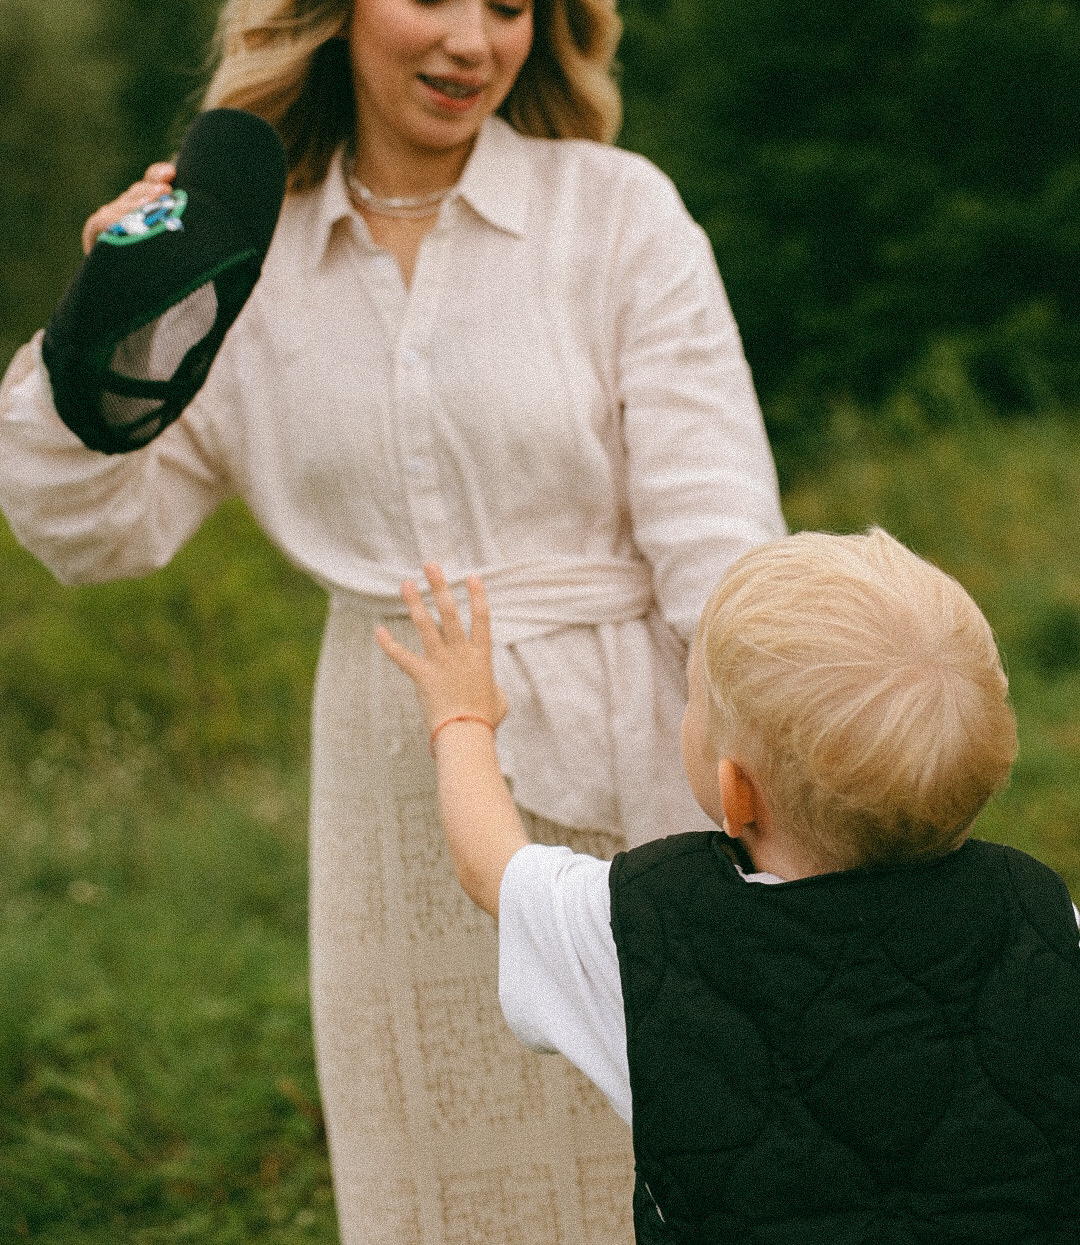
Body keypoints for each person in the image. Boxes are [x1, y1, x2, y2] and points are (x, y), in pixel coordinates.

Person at [0, 0, 785, 1243]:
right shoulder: (253, 259)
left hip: (640, 753)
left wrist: (771, 783)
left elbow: (719, 535)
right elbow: (95, 527)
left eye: (509, 2)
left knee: (661, 1176)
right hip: (390, 777)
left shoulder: (615, 215)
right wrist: (106, 327)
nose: (472, 40)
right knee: (435, 1184)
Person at [378, 532, 1080, 1244]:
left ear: (736, 789)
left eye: (694, 700)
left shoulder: (639, 930)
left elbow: (492, 864)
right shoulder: (1053, 925)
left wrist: (461, 716)